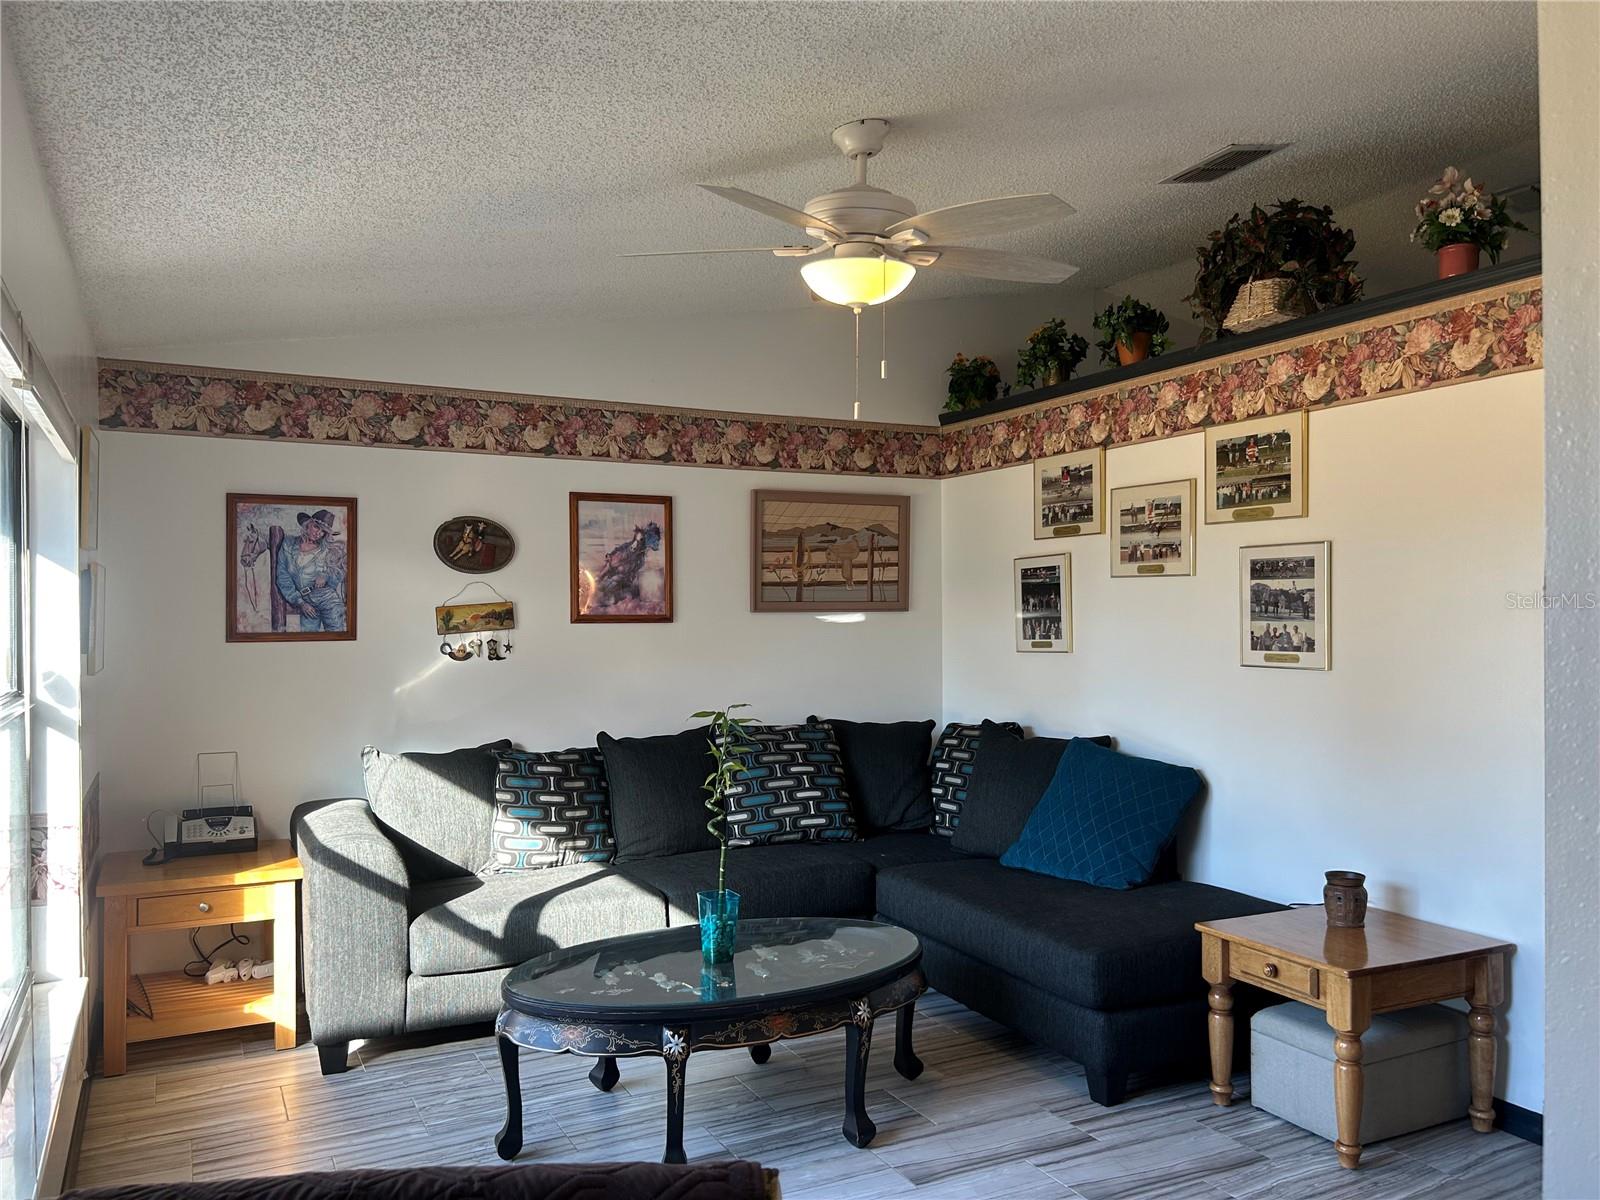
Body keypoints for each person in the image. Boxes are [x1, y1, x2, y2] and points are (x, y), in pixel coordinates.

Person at [276, 509, 347, 632]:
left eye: (323, 531)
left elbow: (340, 570)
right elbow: (283, 576)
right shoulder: (288, 544)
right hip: (305, 603)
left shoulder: (328, 549)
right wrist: (300, 602)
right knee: (308, 636)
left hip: (328, 601)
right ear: (307, 524)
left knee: (336, 636)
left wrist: (326, 576)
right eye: (316, 527)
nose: (319, 533)